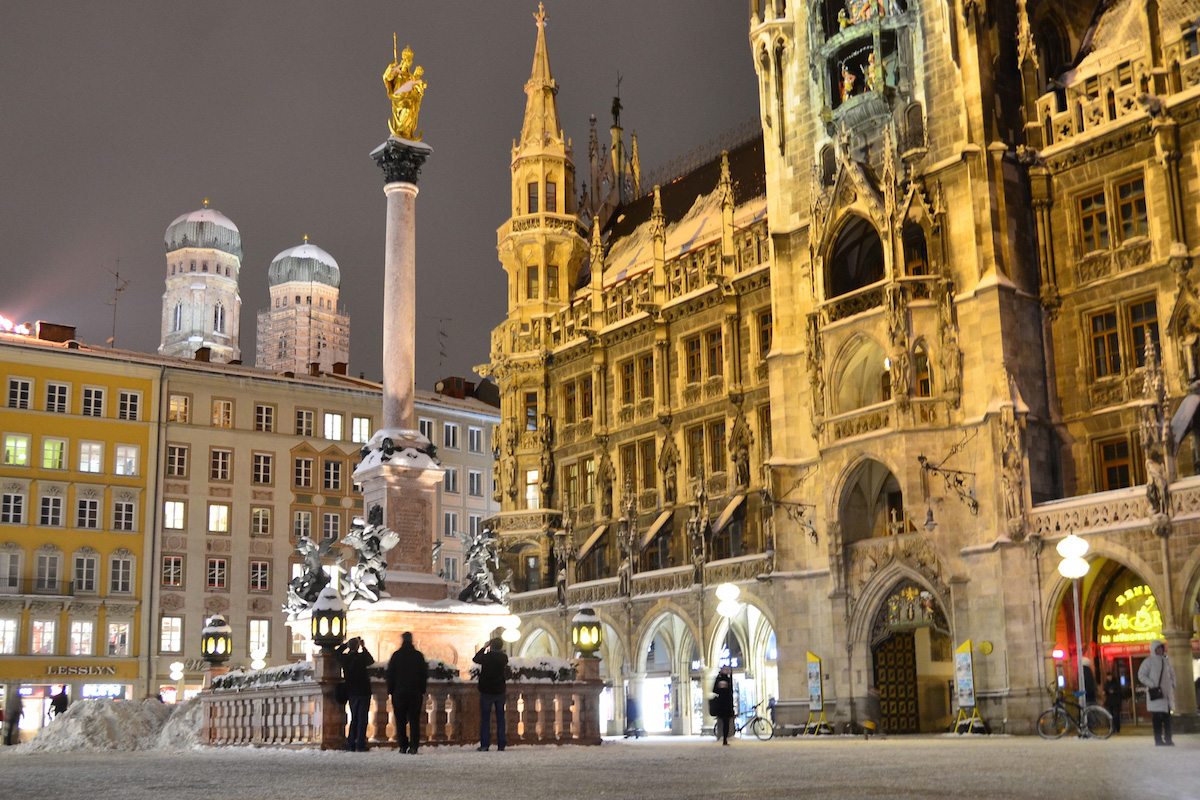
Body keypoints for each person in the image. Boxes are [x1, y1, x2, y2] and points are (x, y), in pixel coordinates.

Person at [386, 632, 428, 754]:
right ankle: (414, 746)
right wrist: (422, 689)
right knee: (414, 720)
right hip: (415, 692)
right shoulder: (418, 656)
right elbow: (423, 674)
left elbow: (390, 674)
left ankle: (403, 745)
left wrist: (391, 691)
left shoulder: (396, 655)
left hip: (399, 692)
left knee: (400, 720)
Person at [335, 636, 375, 752]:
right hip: (364, 691)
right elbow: (371, 660)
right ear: (358, 647)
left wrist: (345, 645)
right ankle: (360, 744)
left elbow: (337, 652)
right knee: (362, 718)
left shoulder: (345, 659)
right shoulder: (362, 657)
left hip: (352, 691)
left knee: (354, 718)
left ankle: (351, 743)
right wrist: (364, 647)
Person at [1137, 640, 1176, 746]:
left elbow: (1172, 674)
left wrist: (1173, 684)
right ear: (1154, 649)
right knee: (1157, 719)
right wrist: (1152, 684)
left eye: (1161, 648)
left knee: (1167, 719)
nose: (1160, 650)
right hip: (1156, 694)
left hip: (1166, 696)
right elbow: (1141, 675)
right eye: (1158, 648)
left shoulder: (1166, 661)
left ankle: (1168, 738)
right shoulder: (1148, 661)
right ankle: (1158, 739)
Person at [473, 637, 509, 751]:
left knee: (485, 719)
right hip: (500, 691)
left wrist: (484, 647)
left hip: (487, 691)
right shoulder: (503, 658)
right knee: (500, 718)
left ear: (491, 646)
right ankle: (501, 744)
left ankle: (485, 744)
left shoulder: (487, 657)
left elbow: (475, 659)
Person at [712, 666, 735, 745]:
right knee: (722, 722)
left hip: (727, 704)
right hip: (721, 704)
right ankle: (722, 737)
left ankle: (725, 738)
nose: (726, 671)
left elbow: (731, 691)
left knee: (726, 723)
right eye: (725, 670)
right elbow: (714, 690)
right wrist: (721, 687)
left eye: (727, 670)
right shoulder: (718, 679)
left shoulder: (728, 679)